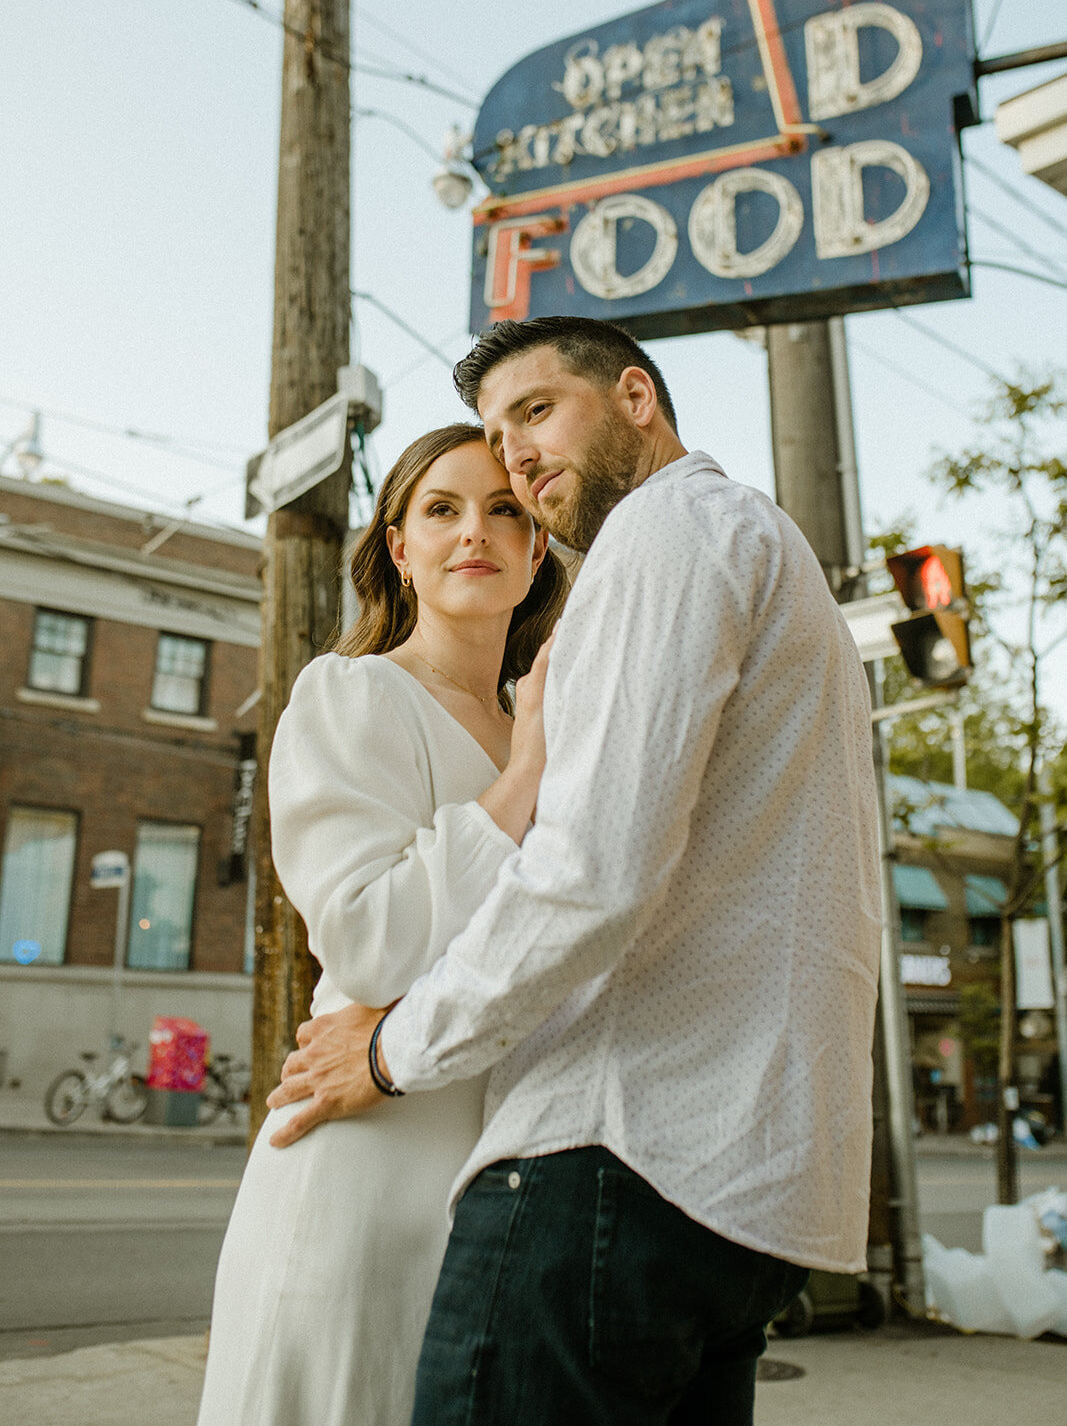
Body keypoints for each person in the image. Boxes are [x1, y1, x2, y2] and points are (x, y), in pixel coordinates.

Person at [269, 316, 883, 1426]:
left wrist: (392, 1050)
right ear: (397, 545)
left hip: (615, 1152)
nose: (517, 455)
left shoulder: (661, 538)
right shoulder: (762, 547)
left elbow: (593, 873)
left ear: (636, 398)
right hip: (750, 1180)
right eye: (498, 438)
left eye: (537, 412)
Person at [195, 422, 568, 1426]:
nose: (473, 532)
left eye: (504, 509)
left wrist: (539, 745)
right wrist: (523, 772)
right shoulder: (352, 694)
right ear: (397, 548)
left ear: (538, 549)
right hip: (363, 1167)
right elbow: (366, 940)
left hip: (504, 1176)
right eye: (440, 509)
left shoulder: (559, 730)